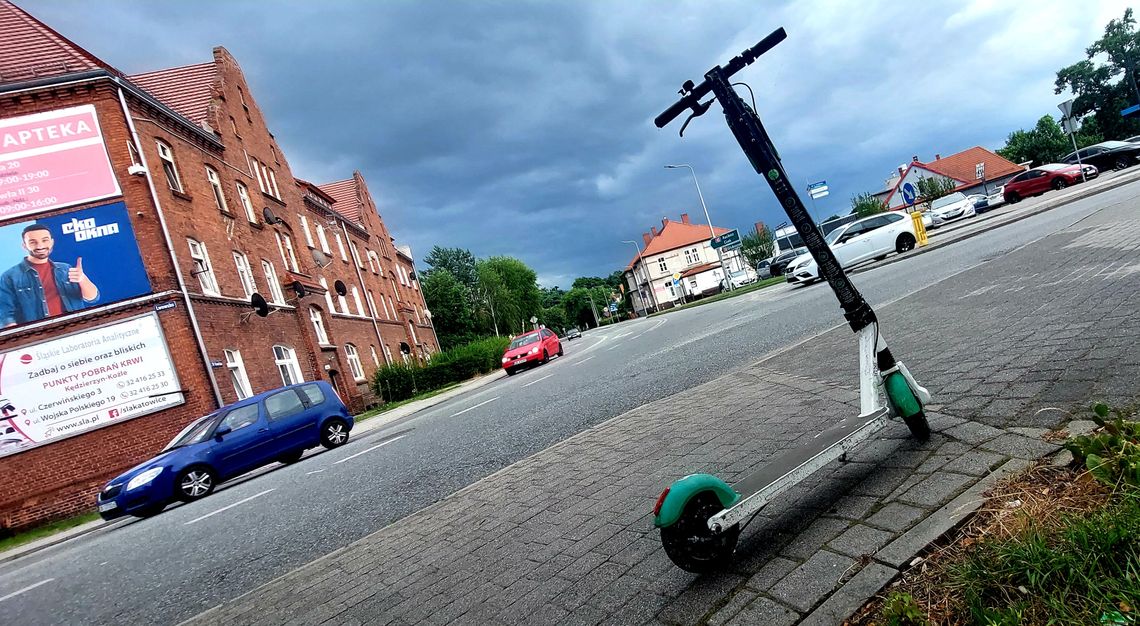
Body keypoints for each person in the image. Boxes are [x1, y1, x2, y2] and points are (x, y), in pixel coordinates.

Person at [0, 223, 99, 327]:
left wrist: (82, 279)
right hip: (41, 336)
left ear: (52, 242)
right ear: (24, 245)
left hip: (76, 328)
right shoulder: (10, 276)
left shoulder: (66, 269)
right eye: (33, 242)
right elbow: (6, 315)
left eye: (45, 240)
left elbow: (93, 298)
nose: (40, 246)